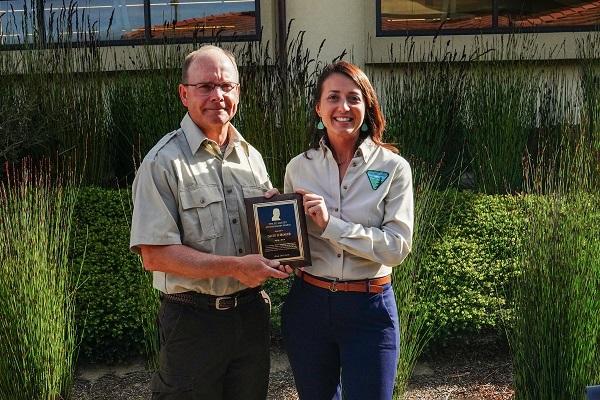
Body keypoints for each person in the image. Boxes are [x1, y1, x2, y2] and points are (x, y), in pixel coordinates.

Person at [130, 45, 291, 400]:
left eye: (226, 86)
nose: (217, 96)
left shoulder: (251, 158)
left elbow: (266, 236)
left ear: (238, 92)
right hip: (192, 323)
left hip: (250, 317)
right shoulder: (162, 162)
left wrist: (282, 232)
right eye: (205, 87)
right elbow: (154, 255)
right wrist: (235, 267)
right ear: (184, 94)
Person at [282, 61, 414, 400]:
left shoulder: (393, 168)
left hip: (369, 308)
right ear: (318, 107)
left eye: (353, 98)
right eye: (333, 97)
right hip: (308, 306)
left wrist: (331, 226)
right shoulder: (298, 168)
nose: (343, 108)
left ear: (367, 106)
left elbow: (396, 247)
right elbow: (291, 243)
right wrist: (275, 232)